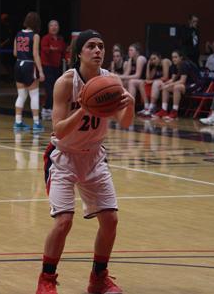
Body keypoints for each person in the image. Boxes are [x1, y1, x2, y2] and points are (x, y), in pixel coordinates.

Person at [36, 30, 134, 294]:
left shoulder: (111, 81)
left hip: (93, 156)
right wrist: (84, 110)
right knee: (64, 221)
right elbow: (58, 130)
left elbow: (124, 121)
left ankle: (98, 278)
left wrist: (131, 103)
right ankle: (46, 279)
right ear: (79, 52)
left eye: (101, 46)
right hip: (64, 157)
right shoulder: (66, 83)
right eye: (91, 46)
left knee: (111, 220)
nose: (98, 51)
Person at [13, 11, 45, 131]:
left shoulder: (18, 34)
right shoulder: (35, 36)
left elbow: (15, 53)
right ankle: (36, 123)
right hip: (29, 65)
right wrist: (41, 71)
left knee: (21, 95)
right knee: (34, 94)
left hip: (18, 64)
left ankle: (18, 121)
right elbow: (35, 54)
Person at [152, 50, 200, 121]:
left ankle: (174, 111)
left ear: (181, 58)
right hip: (185, 84)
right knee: (165, 88)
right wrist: (165, 84)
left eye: (176, 57)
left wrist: (170, 85)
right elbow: (173, 79)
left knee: (177, 87)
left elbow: (182, 81)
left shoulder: (184, 64)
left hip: (195, 84)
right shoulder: (174, 65)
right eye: (172, 57)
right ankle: (164, 110)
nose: (174, 59)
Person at [41, 20, 67, 121]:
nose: (54, 27)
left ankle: (49, 108)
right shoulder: (45, 38)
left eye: (56, 25)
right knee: (49, 90)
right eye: (52, 25)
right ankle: (46, 109)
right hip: (47, 67)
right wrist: (53, 49)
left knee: (57, 90)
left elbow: (64, 51)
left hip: (57, 67)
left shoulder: (60, 39)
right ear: (48, 28)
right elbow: (46, 50)